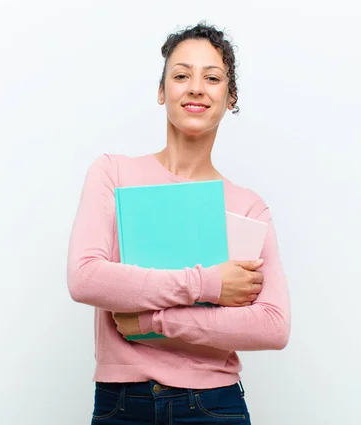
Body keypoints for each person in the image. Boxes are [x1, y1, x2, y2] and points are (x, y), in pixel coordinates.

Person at [66, 22, 291, 425]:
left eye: (212, 78)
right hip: (121, 405)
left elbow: (273, 326)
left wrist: (156, 321)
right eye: (181, 75)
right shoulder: (112, 174)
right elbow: (85, 278)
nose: (195, 88)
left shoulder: (247, 207)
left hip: (213, 406)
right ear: (161, 90)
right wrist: (209, 284)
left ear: (230, 96)